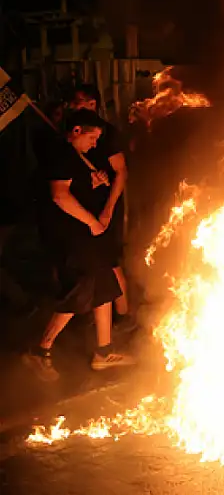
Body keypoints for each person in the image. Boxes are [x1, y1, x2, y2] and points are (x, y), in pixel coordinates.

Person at [22, 110, 138, 381]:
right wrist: (92, 222)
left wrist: (97, 183)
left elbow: (78, 187)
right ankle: (39, 351)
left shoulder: (77, 156)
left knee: (105, 287)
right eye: (92, 137)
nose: (95, 144)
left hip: (87, 237)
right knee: (79, 292)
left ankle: (103, 352)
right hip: (70, 238)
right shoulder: (60, 154)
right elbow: (60, 195)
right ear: (76, 131)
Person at [68, 85, 133, 329]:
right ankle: (97, 314)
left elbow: (121, 172)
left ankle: (123, 315)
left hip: (104, 209)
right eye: (75, 102)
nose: (77, 107)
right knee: (94, 264)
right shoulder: (71, 135)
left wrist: (108, 210)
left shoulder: (107, 134)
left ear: (94, 105)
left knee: (111, 262)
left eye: (84, 102)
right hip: (85, 211)